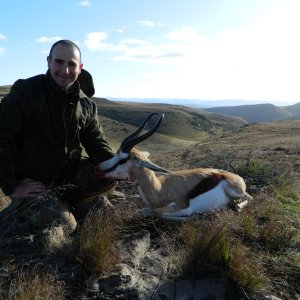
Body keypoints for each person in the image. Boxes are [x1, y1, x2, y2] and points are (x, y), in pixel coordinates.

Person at [0, 39, 116, 232]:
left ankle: (67, 204)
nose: (65, 70)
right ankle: (21, 210)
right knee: (65, 225)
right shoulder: (26, 93)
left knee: (110, 174)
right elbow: (1, 136)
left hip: (67, 179)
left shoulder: (86, 105)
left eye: (71, 64)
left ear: (80, 68)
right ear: (49, 62)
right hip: (33, 184)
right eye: (59, 62)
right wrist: (12, 186)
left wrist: (122, 166)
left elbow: (97, 146)